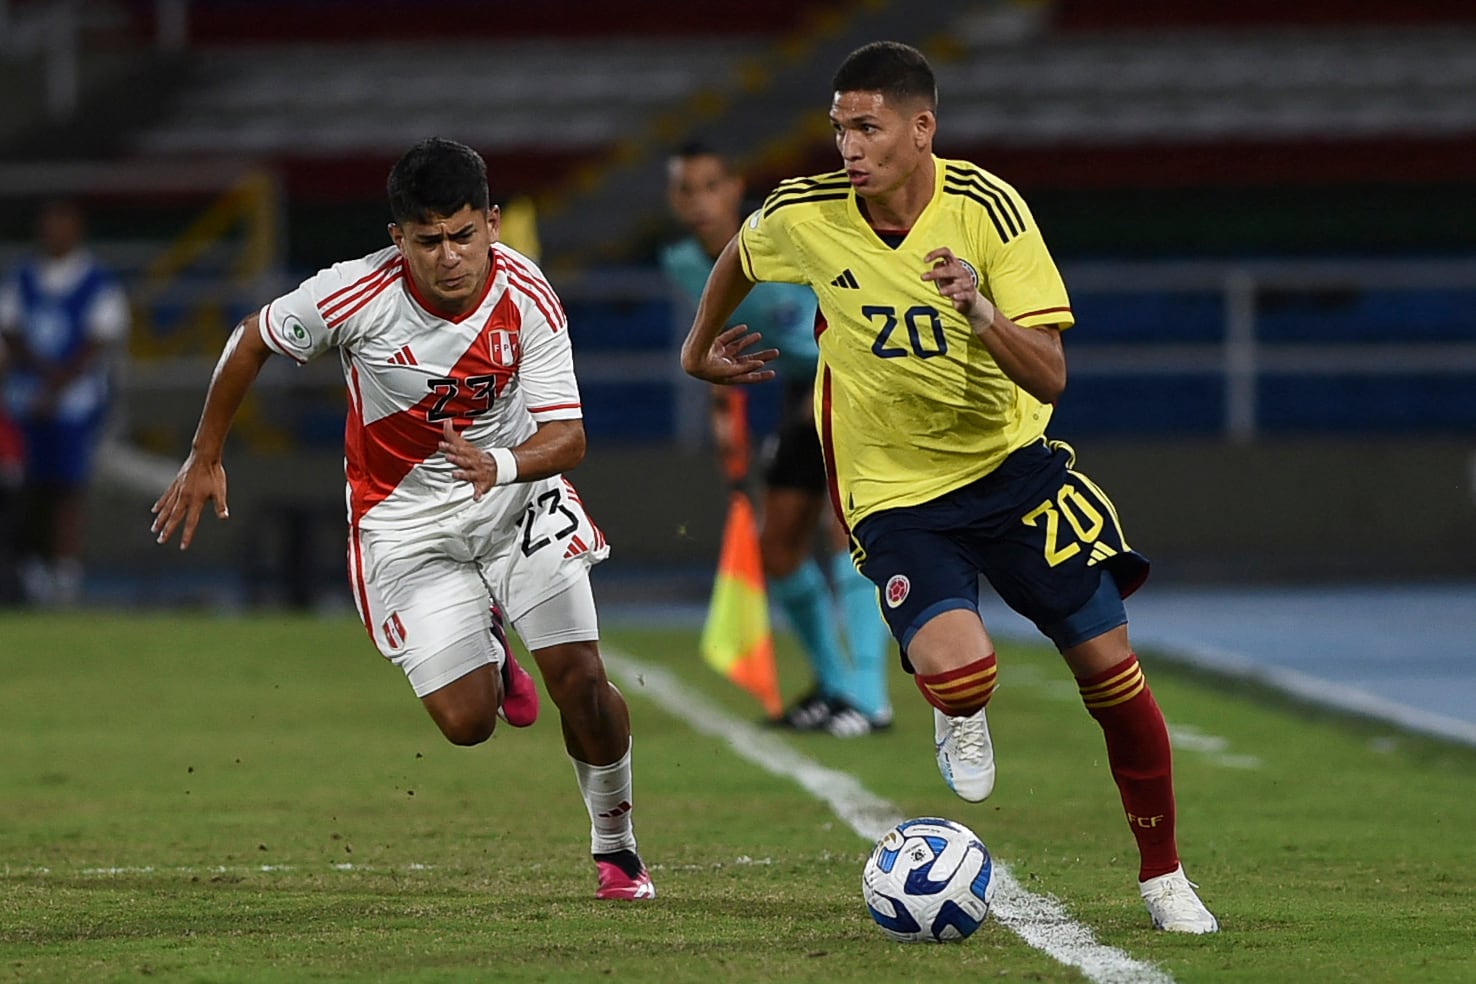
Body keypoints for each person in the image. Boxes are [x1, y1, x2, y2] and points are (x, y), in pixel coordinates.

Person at [679, 41, 1216, 933]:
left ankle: (1163, 877)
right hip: (896, 488)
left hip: (1013, 469)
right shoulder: (806, 213)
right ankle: (954, 708)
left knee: (1111, 673)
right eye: (840, 127)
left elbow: (1048, 376)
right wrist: (699, 347)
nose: (849, 146)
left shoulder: (989, 213)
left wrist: (979, 310)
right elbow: (742, 252)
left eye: (868, 127)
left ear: (921, 128)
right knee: (965, 676)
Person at [151, 137, 654, 900]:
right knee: (467, 721)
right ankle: (487, 638)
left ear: (491, 222)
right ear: (399, 240)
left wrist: (504, 466)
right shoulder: (352, 294)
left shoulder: (527, 292)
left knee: (581, 681)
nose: (449, 257)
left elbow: (569, 437)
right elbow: (250, 339)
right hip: (404, 523)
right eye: (428, 241)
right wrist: (204, 453)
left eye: (463, 235)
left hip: (514, 497)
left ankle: (615, 850)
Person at [661, 142, 892, 736]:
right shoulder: (685, 263)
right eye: (687, 190)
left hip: (856, 378)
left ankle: (869, 697)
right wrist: (724, 425)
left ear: (737, 188)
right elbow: (720, 341)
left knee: (844, 529)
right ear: (674, 201)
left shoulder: (782, 234)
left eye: (711, 185)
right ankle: (835, 687)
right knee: (778, 543)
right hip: (799, 391)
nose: (700, 202)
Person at [0, 198, 130, 605]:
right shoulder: (22, 278)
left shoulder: (97, 282)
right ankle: (30, 566)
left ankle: (66, 572)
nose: (56, 231)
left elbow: (98, 341)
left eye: (64, 222)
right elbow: (11, 332)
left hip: (75, 404)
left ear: (77, 228)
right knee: (27, 487)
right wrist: (40, 376)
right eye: (50, 222)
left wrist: (56, 383)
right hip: (26, 400)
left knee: (68, 489)